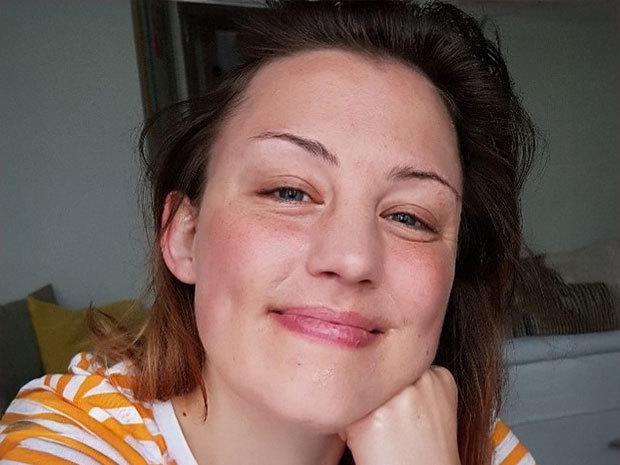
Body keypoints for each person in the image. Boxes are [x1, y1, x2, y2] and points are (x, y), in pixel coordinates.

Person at [0, 1, 538, 464]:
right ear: (185, 235)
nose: (351, 258)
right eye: (289, 192)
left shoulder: (471, 444)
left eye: (409, 217)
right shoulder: (63, 439)